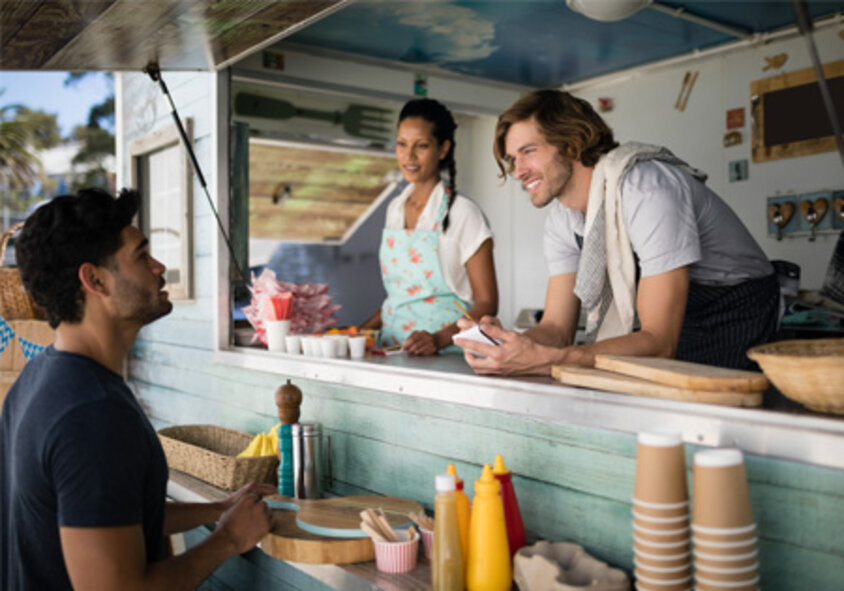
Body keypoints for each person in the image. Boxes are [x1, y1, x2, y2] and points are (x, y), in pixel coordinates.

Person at [1, 188, 275, 590]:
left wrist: (217, 509)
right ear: (95, 280)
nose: (159, 266)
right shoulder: (91, 413)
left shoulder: (38, 378)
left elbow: (104, 514)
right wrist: (229, 539)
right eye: (141, 255)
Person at [456, 89, 779, 374]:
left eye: (528, 151)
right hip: (675, 317)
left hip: (734, 309)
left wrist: (550, 359)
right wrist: (511, 347)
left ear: (571, 142)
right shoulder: (561, 219)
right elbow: (556, 328)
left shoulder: (646, 189)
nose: (519, 171)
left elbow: (659, 341)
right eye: (513, 159)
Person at [362, 98, 498, 355]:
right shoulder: (394, 209)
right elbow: (400, 298)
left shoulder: (462, 213)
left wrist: (437, 340)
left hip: (446, 355)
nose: (409, 156)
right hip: (392, 350)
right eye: (402, 144)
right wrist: (359, 332)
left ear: (443, 149)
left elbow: (487, 302)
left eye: (421, 146)